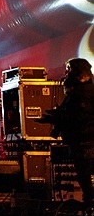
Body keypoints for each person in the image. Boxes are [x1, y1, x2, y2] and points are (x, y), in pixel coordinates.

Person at [38, 58, 94, 207]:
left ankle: (89, 207)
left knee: (85, 180)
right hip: (83, 142)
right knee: (85, 180)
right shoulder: (82, 90)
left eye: (69, 69)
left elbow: (80, 117)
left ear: (77, 71)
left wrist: (56, 119)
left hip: (84, 144)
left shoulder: (82, 92)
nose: (66, 72)